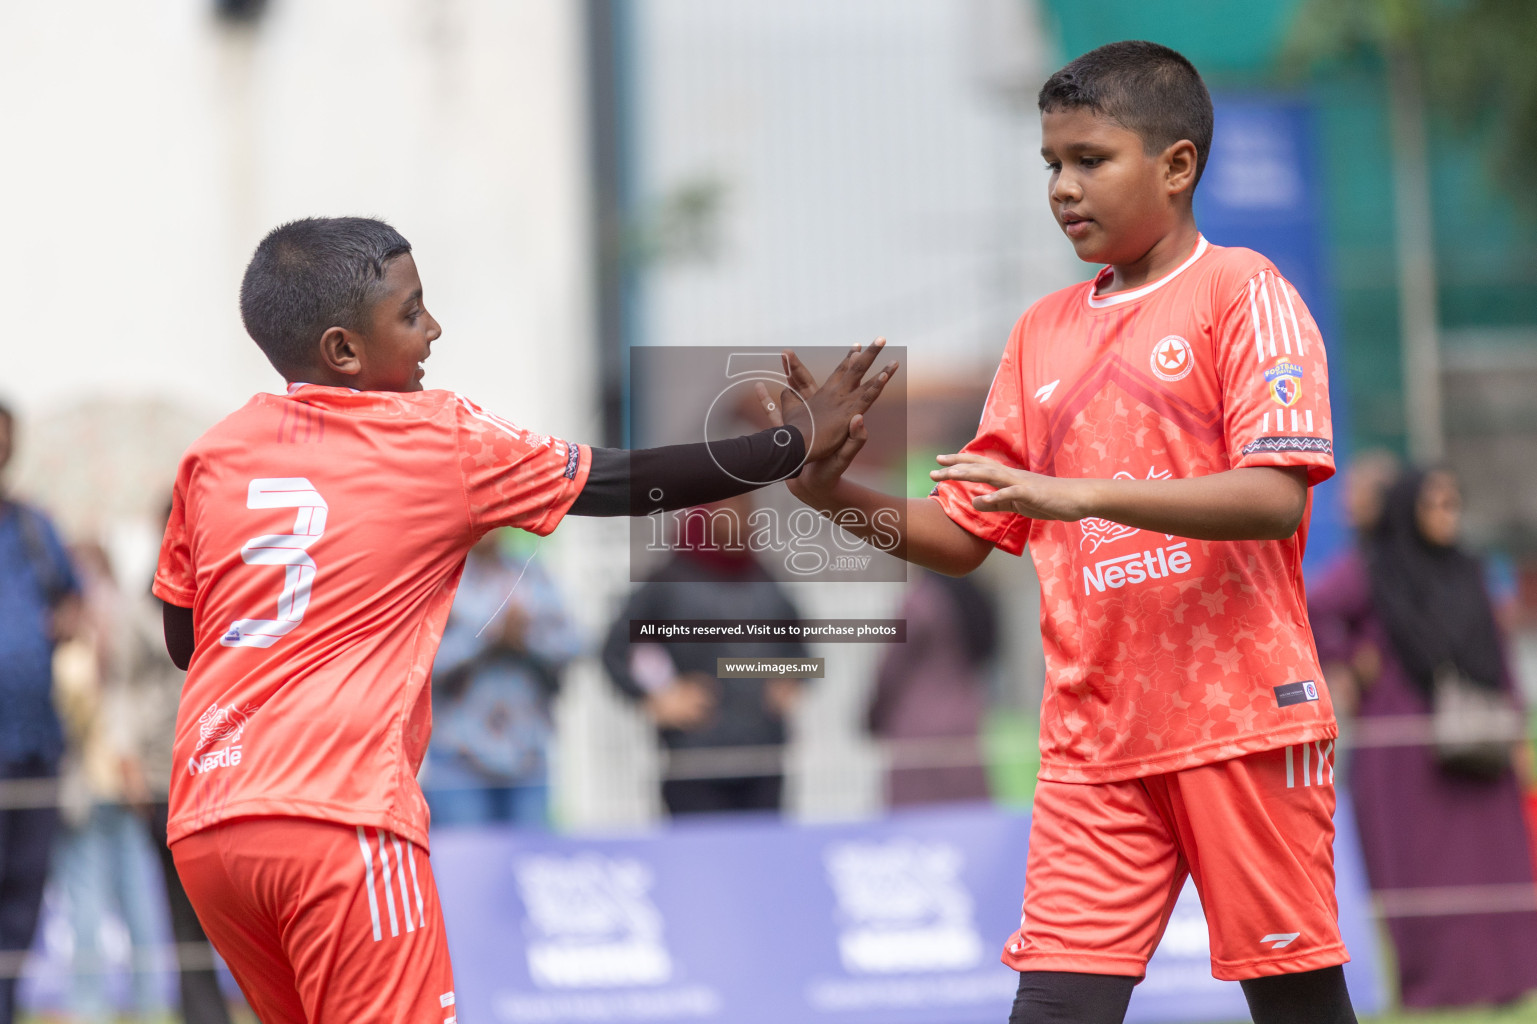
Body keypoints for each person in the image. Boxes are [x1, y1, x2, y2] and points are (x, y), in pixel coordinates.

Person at [153, 216, 896, 1022]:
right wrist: (792, 443)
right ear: (343, 351)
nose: (433, 329)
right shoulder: (434, 436)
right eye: (411, 313)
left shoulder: (214, 455)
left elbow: (186, 641)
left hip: (208, 822)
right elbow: (618, 481)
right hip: (338, 821)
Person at [776, 41, 1356, 1024]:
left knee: (1297, 1008)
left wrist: (1077, 496)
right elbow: (967, 533)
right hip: (1095, 743)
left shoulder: (1242, 292)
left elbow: (1272, 497)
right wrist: (830, 493)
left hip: (1243, 725)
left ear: (1176, 166)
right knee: (1052, 1009)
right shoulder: (1040, 332)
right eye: (1051, 162)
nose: (1061, 186)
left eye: (1091, 159)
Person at [1309, 467, 1537, 1008]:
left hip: (1480, 740)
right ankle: (1435, 988)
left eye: (1452, 503)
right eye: (1435, 504)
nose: (1446, 514)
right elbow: (1314, 610)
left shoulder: (1468, 570)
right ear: (1408, 508)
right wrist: (1346, 663)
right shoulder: (1372, 569)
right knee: (1421, 870)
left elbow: (1496, 651)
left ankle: (1504, 981)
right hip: (1406, 750)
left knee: (1491, 862)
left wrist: (1514, 728)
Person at [601, 493, 809, 816]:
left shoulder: (766, 581)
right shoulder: (668, 582)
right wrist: (659, 697)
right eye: (729, 509)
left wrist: (789, 680)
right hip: (694, 760)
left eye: (746, 510)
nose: (739, 519)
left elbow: (801, 649)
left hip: (762, 756)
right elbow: (615, 650)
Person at [119, 504, 234, 1024]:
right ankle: (204, 1015)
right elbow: (123, 687)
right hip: (166, 771)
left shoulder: (237, 588)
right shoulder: (141, 605)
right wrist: (128, 759)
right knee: (182, 912)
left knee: (236, 909)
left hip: (226, 768)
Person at [51, 541, 163, 1023]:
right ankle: (108, 1007)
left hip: (113, 786)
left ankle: (142, 1005)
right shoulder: (86, 643)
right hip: (99, 791)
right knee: (96, 908)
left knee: (128, 903)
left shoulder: (97, 644)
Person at [0, 401, 80, 1024]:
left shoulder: (33, 528)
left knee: (25, 888)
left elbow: (74, 602)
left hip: (36, 744)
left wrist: (60, 626)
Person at [425, 530, 580, 828]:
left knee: (529, 866)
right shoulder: (441, 579)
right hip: (459, 759)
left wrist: (528, 639)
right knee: (467, 868)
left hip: (527, 756)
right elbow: (422, 664)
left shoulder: (531, 572)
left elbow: (574, 643)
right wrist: (488, 638)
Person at [866, 570, 997, 807]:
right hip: (964, 722)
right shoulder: (970, 597)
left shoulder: (920, 602)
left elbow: (892, 667)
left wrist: (872, 715)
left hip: (917, 731)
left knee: (917, 824)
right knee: (967, 817)